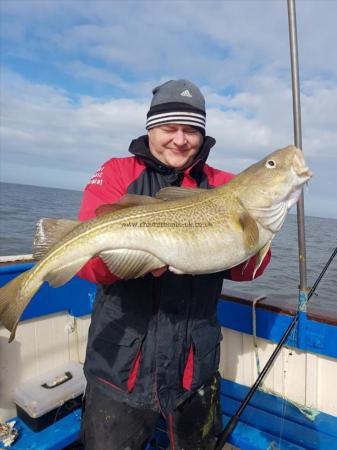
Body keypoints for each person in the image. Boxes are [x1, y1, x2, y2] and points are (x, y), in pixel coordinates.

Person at [78, 79, 271, 450]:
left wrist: (262, 225)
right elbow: (88, 266)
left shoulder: (224, 186)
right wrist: (131, 261)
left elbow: (246, 271)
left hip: (192, 372)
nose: (180, 140)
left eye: (191, 130)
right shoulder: (119, 174)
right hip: (121, 370)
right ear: (150, 128)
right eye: (169, 128)